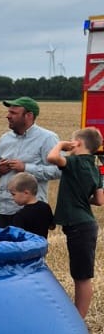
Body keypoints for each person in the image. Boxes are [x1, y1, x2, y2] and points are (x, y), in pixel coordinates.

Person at [46, 127, 104, 319]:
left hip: (79, 225)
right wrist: (80, 198)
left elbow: (52, 158)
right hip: (85, 224)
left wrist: (61, 145)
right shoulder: (95, 168)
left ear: (77, 143)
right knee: (81, 274)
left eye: (72, 142)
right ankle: (78, 314)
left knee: (82, 277)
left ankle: (79, 318)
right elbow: (99, 200)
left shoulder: (75, 162)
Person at [0, 96, 60, 227]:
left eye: (13, 113)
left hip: (31, 212)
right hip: (3, 208)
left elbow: (58, 171)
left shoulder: (47, 138)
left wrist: (26, 168)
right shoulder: (5, 138)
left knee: (29, 248)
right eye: (9, 112)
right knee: (3, 247)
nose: (8, 116)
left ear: (29, 115)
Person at [6, 171, 53, 238]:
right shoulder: (45, 206)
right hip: (42, 247)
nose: (12, 197)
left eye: (13, 194)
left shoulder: (20, 215)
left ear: (26, 193)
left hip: (27, 248)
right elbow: (51, 226)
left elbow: (16, 238)